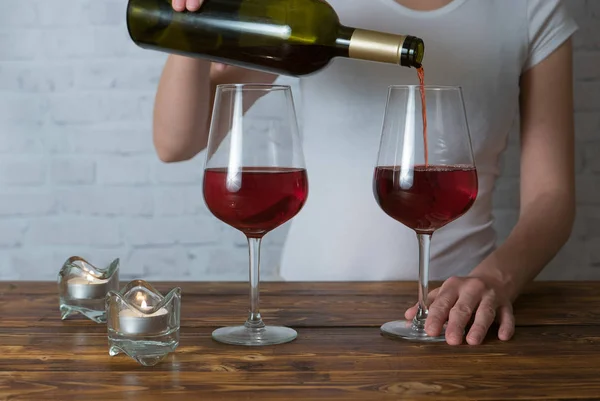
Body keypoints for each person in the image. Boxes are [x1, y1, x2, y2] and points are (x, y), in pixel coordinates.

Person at [154, 0, 577, 345]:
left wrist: (495, 279)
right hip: (307, 315)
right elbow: (176, 142)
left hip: (456, 317)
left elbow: (551, 195)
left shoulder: (531, 7)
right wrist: (186, 21)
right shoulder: (310, 9)